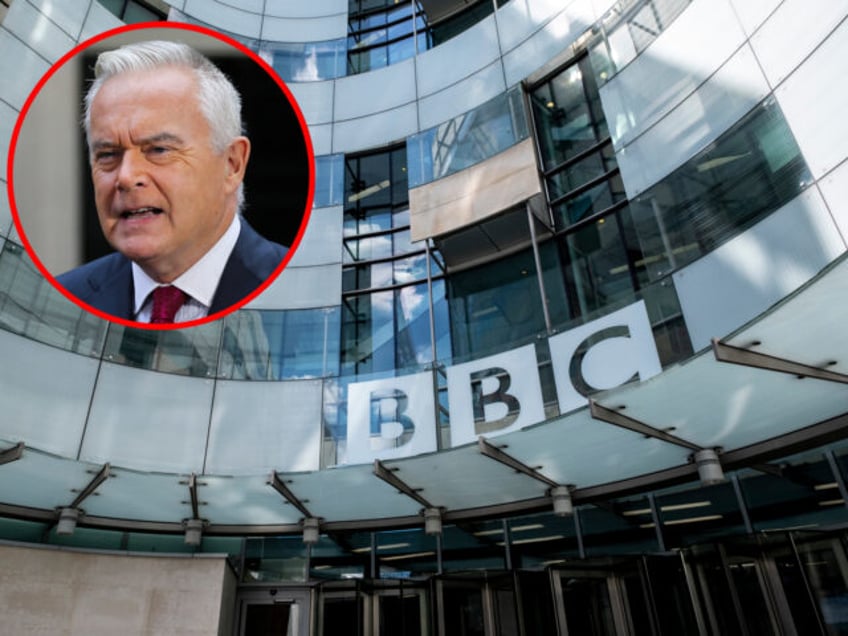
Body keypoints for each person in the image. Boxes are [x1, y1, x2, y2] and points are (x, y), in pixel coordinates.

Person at [57, 40, 287, 324]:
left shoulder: (298, 290)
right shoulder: (61, 301)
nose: (126, 176)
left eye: (159, 150)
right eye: (107, 155)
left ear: (232, 164)